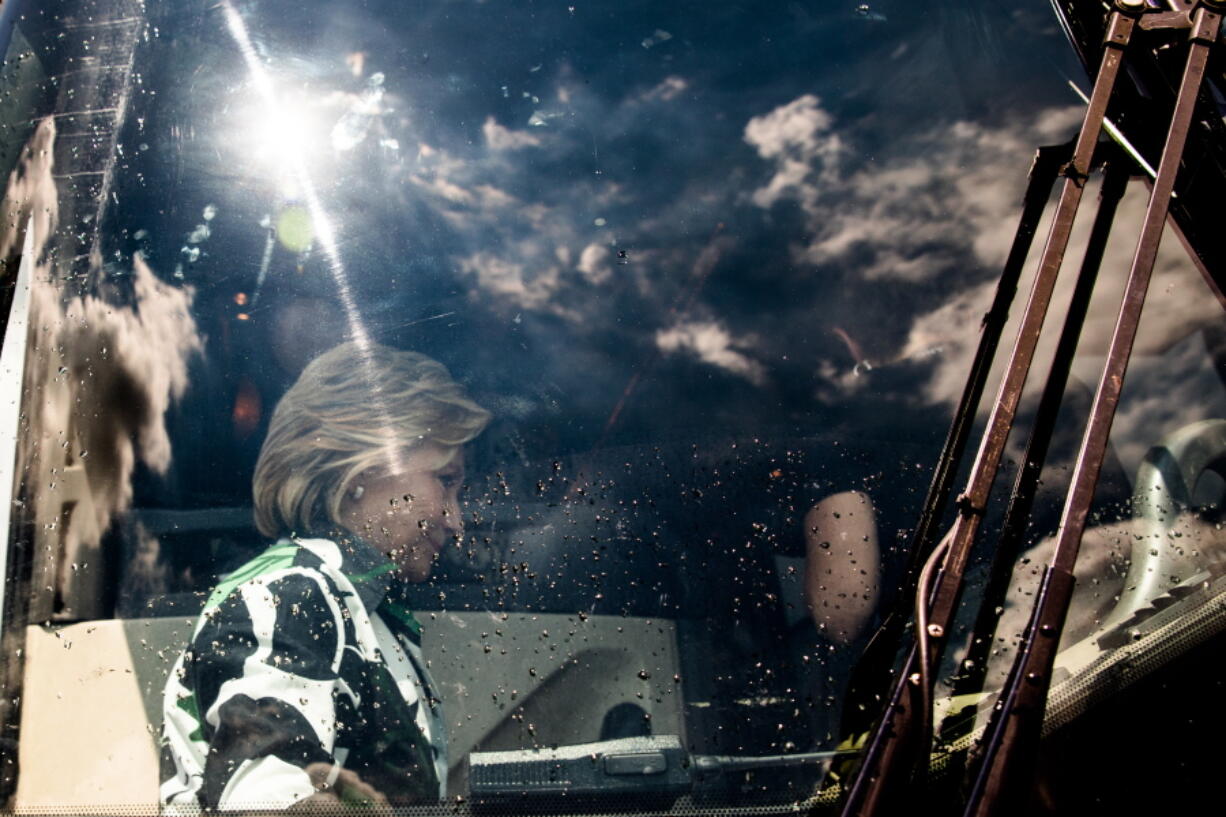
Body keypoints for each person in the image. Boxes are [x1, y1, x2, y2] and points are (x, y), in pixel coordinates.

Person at [159, 341, 491, 811]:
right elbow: (271, 793)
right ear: (360, 466)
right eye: (446, 480)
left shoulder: (354, 601)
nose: (456, 520)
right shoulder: (289, 594)